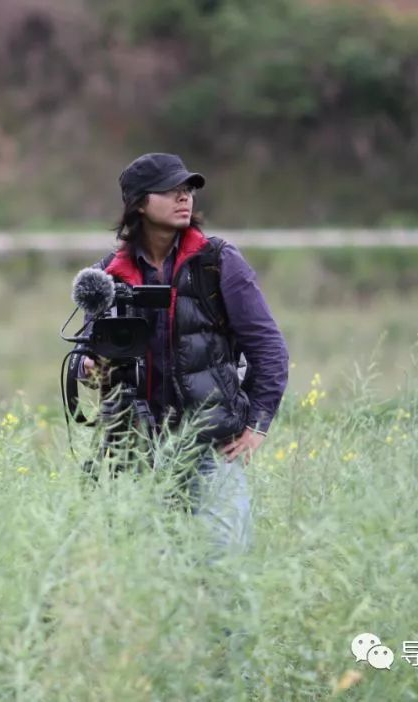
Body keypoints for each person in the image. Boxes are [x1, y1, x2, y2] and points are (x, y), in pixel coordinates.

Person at [75, 152, 289, 556]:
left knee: (222, 565)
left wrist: (257, 424)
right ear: (139, 203)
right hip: (137, 451)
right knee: (148, 573)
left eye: (188, 189)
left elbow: (269, 347)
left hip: (211, 447)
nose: (184, 198)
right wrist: (89, 367)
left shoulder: (219, 263)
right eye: (171, 190)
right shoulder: (106, 276)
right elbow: (91, 354)